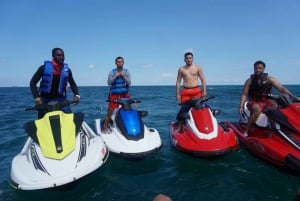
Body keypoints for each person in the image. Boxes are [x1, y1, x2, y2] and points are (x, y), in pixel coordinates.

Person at [238, 60, 300, 136]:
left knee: (278, 107)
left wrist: (294, 97)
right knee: (257, 109)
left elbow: (281, 88)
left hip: (266, 101)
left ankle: (278, 128)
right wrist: (241, 106)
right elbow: (244, 94)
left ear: (264, 69)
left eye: (260, 68)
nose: (257, 70)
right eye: (256, 68)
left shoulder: (270, 79)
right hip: (253, 101)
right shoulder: (249, 81)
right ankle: (246, 130)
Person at [30, 48, 80, 118]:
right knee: (42, 120)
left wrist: (76, 95)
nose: (61, 57)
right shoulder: (43, 68)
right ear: (53, 56)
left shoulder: (67, 70)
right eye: (58, 55)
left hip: (60, 99)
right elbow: (32, 83)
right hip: (44, 100)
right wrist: (37, 98)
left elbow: (72, 83)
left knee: (69, 118)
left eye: (63, 55)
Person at [175, 52, 207, 133]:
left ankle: (201, 126)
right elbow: (178, 82)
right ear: (184, 59)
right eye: (187, 58)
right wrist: (177, 94)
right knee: (183, 110)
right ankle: (180, 127)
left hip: (196, 91)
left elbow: (203, 79)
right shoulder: (181, 69)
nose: (189, 59)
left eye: (190, 58)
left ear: (192, 59)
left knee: (199, 109)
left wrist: (204, 91)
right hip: (185, 92)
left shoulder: (197, 68)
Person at [103, 56, 131, 133]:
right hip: (114, 94)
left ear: (123, 63)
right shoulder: (112, 72)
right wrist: (116, 76)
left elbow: (129, 82)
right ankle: (105, 128)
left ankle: (128, 126)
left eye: (121, 61)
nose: (120, 63)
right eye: (118, 62)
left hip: (124, 94)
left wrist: (123, 76)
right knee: (110, 112)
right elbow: (109, 82)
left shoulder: (127, 72)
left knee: (129, 110)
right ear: (115, 63)